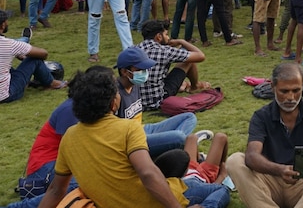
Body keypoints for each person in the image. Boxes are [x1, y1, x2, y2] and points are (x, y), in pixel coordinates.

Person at [35, 66, 190, 208]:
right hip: (155, 201)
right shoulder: (128, 128)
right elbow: (147, 173)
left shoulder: (70, 136)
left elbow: (55, 190)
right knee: (213, 192)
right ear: (113, 103)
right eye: (116, 91)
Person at [226, 62, 303, 208]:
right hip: (270, 183)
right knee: (234, 161)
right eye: (284, 91)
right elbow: (252, 156)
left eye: (296, 90)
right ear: (273, 88)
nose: (290, 97)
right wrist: (279, 170)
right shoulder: (261, 116)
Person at [113, 45, 200, 157]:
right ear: (125, 71)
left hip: (143, 128)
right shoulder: (114, 94)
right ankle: (182, 145)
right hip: (133, 140)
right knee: (178, 137)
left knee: (189, 117)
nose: (145, 73)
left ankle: (178, 145)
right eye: (140, 70)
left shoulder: (135, 85)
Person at [0, 9, 67, 105]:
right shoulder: (10, 44)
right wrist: (24, 56)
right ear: (2, 25)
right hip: (4, 96)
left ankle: (25, 40)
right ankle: (51, 83)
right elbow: (43, 54)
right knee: (34, 59)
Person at [137, 20, 208, 111]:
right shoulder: (165, 51)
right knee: (188, 61)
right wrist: (182, 42)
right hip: (158, 99)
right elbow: (200, 56)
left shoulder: (133, 50)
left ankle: (183, 86)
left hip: (138, 101)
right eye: (166, 34)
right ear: (159, 36)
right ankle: (195, 86)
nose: (168, 37)